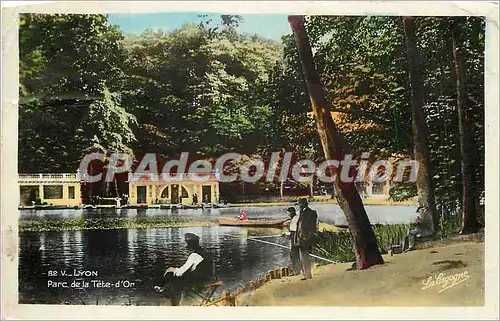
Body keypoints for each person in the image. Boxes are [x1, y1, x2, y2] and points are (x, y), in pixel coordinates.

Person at [154, 233, 214, 306]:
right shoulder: (205, 252)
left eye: (187, 244)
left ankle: (172, 301)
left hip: (200, 281)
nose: (187, 246)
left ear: (191, 245)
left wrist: (172, 269)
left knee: (173, 280)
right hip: (209, 278)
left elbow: (181, 272)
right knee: (178, 277)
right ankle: (165, 289)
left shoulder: (194, 255)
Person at [294, 198, 318, 280]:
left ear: (303, 204)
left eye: (300, 205)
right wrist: (296, 238)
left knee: (306, 257)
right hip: (300, 238)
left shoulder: (311, 213)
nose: (299, 207)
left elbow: (312, 227)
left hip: (306, 238)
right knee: (302, 257)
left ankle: (308, 275)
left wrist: (307, 236)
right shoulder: (301, 213)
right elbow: (298, 227)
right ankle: (306, 274)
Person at [284, 207, 301, 275]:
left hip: (295, 238)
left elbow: (294, 231)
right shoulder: (294, 219)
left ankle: (296, 270)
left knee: (294, 254)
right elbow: (291, 230)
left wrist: (288, 234)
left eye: (289, 214)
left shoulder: (295, 219)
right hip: (294, 237)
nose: (288, 215)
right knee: (293, 254)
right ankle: (297, 269)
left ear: (292, 212)